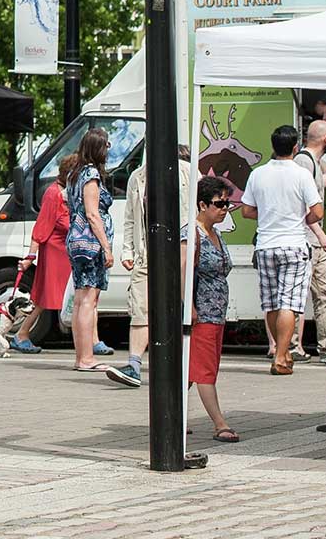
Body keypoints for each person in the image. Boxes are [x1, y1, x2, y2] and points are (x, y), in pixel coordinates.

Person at [240, 125, 324, 377]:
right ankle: (280, 357)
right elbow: (317, 212)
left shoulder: (258, 174)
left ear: (273, 146)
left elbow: (246, 210)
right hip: (294, 244)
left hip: (265, 245)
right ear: (295, 147)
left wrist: (267, 213)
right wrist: (299, 215)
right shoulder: (301, 174)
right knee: (289, 303)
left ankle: (280, 350)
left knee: (272, 303)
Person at [110, 145, 191, 388]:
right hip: (147, 252)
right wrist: (128, 250)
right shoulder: (138, 176)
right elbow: (130, 217)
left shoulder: (187, 171)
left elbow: (201, 208)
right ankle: (134, 365)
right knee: (140, 307)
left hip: (181, 250)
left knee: (180, 309)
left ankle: (180, 367)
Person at [189, 177, 240, 443]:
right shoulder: (192, 234)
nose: (224, 209)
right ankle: (219, 423)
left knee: (192, 369)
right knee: (205, 371)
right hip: (203, 314)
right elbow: (183, 275)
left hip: (216, 312)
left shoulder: (216, 233)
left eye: (226, 203)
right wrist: (191, 308)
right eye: (219, 204)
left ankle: (171, 414)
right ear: (201, 204)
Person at [13, 155, 78, 355]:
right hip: (55, 252)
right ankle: (22, 334)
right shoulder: (53, 194)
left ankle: (89, 341)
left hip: (64, 251)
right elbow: (42, 226)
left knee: (74, 297)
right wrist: (30, 256)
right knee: (45, 297)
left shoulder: (68, 192)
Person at [66, 128, 117, 374]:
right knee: (88, 301)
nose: (109, 149)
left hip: (76, 242)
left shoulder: (74, 174)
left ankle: (81, 356)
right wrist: (106, 247)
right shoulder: (90, 175)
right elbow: (92, 214)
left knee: (80, 300)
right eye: (106, 145)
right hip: (90, 244)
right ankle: (86, 357)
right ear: (98, 147)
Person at [291, 121, 326, 364]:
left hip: (314, 240)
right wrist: (320, 234)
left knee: (325, 294)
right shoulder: (303, 162)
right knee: (300, 295)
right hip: (308, 240)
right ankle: (292, 346)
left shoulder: (311, 161)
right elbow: (303, 206)